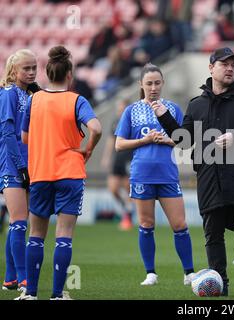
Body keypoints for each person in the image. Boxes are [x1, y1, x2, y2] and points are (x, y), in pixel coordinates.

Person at [151, 47, 234, 298]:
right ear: (211, 68)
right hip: (209, 178)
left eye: (233, 65)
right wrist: (164, 118)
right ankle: (220, 284)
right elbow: (183, 141)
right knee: (212, 235)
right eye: (224, 64)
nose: (230, 68)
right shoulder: (197, 105)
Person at [15, 46, 102, 300]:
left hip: (41, 173)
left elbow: (24, 137)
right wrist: (87, 149)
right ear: (69, 75)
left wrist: (45, 144)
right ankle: (56, 294)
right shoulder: (77, 100)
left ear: (48, 73)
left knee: (36, 235)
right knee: (64, 236)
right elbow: (96, 128)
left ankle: (30, 293)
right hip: (70, 173)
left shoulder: (34, 99)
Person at [115, 63, 195, 287]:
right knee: (146, 224)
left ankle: (188, 273)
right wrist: (144, 140)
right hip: (141, 175)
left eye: (157, 83)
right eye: (149, 83)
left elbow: (184, 142)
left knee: (180, 224)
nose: (153, 88)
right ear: (141, 84)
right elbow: (119, 144)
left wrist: (167, 140)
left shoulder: (173, 109)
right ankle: (150, 273)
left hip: (168, 174)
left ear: (163, 84)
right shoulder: (131, 111)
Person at [0, 49, 39, 292]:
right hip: (13, 164)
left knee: (19, 222)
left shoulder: (31, 94)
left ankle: (10, 277)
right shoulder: (9, 94)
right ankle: (25, 279)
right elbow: (6, 133)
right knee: (19, 222)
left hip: (30, 163)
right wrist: (21, 166)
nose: (32, 72)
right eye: (27, 68)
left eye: (34, 67)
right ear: (14, 70)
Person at [101, 99, 134, 230]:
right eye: (119, 109)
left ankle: (128, 217)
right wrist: (106, 157)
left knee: (127, 188)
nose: (120, 112)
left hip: (129, 158)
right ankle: (125, 209)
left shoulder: (133, 122)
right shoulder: (116, 122)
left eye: (122, 109)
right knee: (113, 188)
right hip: (117, 159)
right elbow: (111, 140)